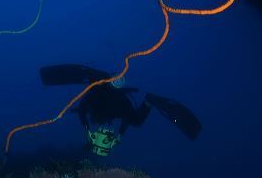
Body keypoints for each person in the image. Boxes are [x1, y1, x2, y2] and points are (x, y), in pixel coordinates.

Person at [39, 64, 203, 156]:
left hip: (108, 98)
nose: (104, 132)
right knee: (136, 121)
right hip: (115, 101)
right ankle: (149, 101)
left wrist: (91, 130)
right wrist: (118, 135)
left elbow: (83, 109)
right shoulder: (95, 110)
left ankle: (147, 101)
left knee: (135, 121)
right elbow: (125, 118)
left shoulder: (92, 106)